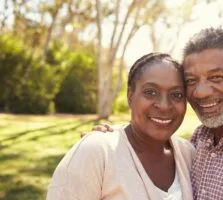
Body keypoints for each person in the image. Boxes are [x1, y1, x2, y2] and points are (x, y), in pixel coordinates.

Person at [93, 28, 223, 199]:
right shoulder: (198, 143)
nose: (200, 92)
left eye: (216, 77)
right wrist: (118, 135)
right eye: (191, 81)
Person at [46, 53, 195, 200]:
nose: (164, 106)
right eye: (150, 92)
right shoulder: (97, 151)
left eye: (177, 95)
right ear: (130, 96)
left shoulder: (189, 155)